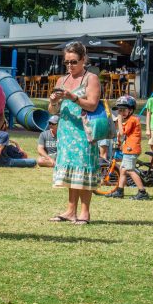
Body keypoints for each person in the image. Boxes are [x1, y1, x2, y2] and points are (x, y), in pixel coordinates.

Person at [47, 41, 102, 225]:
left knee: (84, 171)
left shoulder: (91, 78)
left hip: (84, 132)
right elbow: (52, 111)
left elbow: (93, 104)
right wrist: (54, 101)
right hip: (66, 131)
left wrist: (74, 97)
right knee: (72, 172)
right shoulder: (62, 80)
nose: (70, 65)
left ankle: (84, 213)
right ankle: (70, 211)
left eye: (74, 61)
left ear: (83, 59)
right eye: (67, 62)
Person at [108, 95, 150, 200]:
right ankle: (120, 191)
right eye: (119, 110)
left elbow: (122, 133)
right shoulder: (129, 120)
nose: (120, 112)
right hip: (128, 148)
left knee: (130, 170)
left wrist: (119, 120)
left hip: (132, 149)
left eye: (123, 110)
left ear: (130, 110)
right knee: (123, 170)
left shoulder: (132, 120)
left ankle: (142, 192)